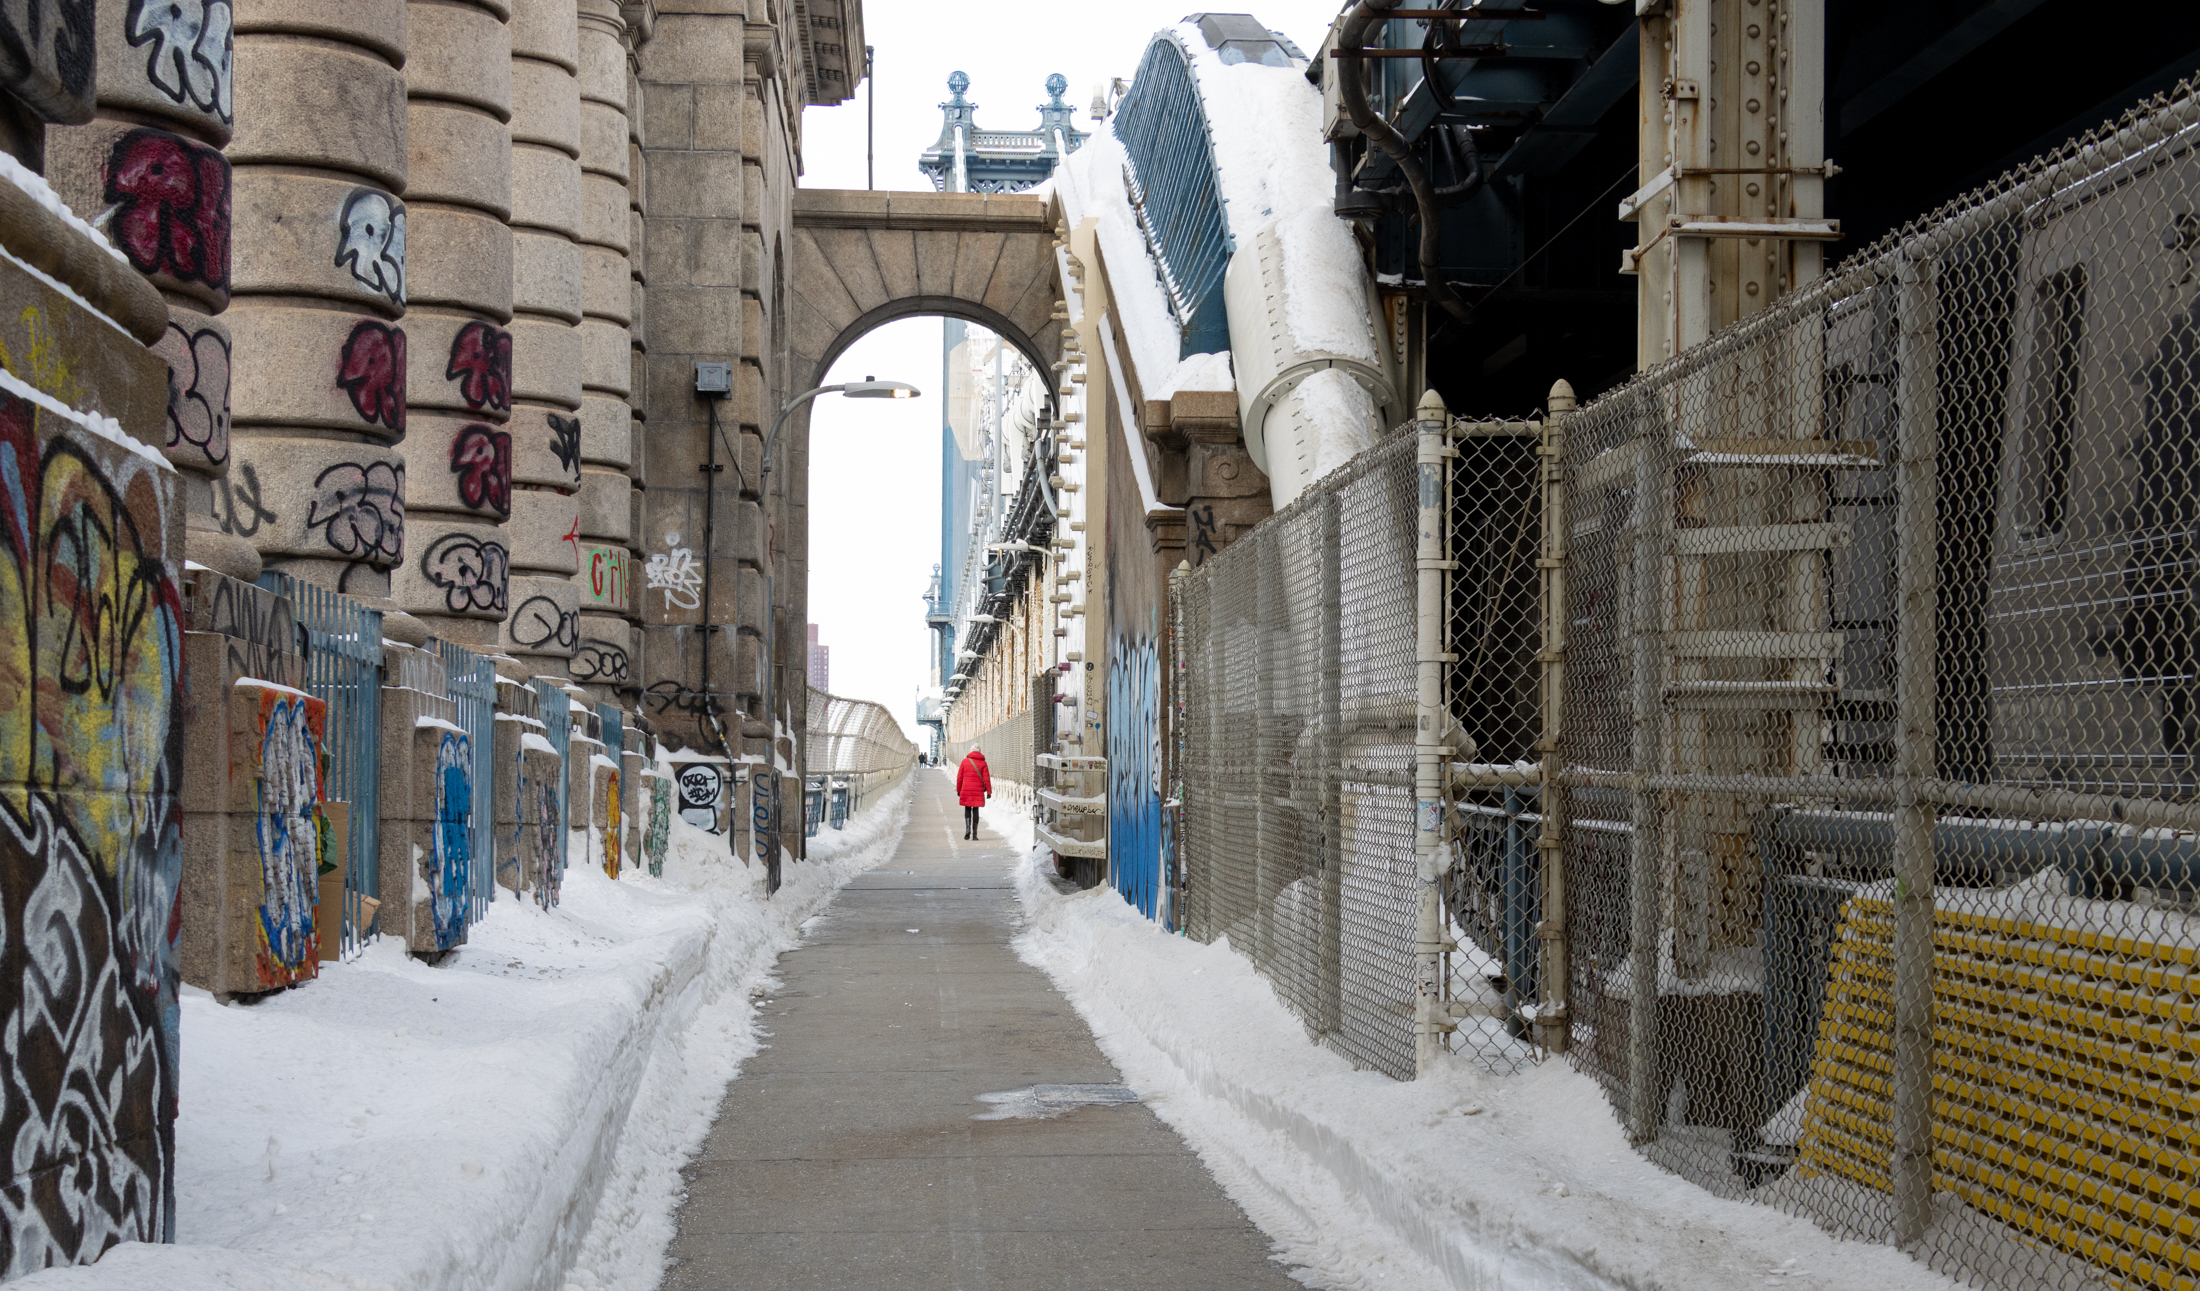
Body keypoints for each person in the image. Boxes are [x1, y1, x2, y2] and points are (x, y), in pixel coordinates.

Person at [956, 748, 991, 840]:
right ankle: (975, 835)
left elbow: (959, 777)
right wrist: (989, 792)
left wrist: (958, 790)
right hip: (978, 790)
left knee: (967, 808)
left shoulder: (964, 761)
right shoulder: (983, 763)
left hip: (966, 788)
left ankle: (967, 829)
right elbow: (986, 779)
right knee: (976, 810)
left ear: (971, 751)